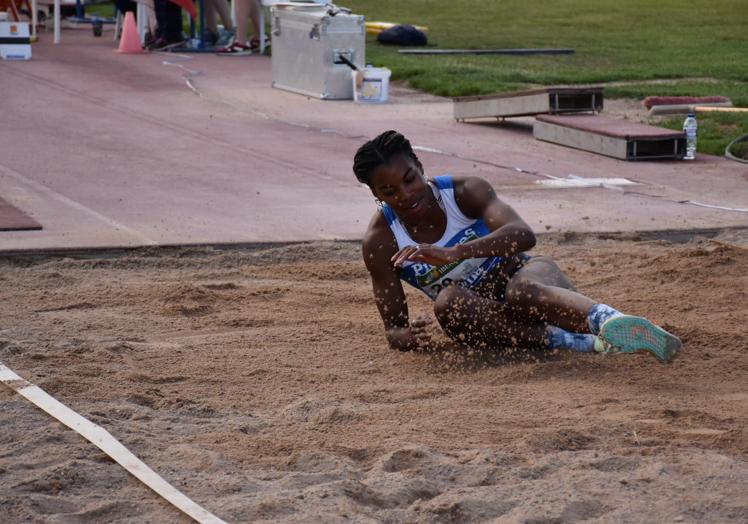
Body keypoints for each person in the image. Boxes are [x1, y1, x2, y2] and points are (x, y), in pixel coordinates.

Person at [355, 130, 682, 362]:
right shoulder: (381, 241)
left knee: (520, 289)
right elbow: (394, 331)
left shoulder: (465, 191)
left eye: (409, 179)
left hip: (531, 280)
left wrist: (456, 253)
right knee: (447, 303)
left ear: (420, 166)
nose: (405, 194)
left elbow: (523, 235)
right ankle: (586, 345)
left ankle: (612, 321)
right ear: (377, 195)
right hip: (488, 320)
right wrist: (406, 337)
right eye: (389, 191)